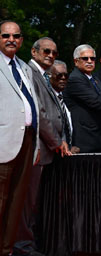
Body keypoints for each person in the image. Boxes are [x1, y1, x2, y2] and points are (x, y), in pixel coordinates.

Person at [13, 37, 71, 256]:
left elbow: (57, 111)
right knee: (28, 202)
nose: (51, 55)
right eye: (46, 51)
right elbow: (41, 113)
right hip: (36, 147)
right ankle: (23, 247)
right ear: (34, 52)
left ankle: (31, 243)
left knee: (36, 202)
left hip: (49, 148)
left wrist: (61, 138)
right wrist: (56, 142)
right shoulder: (30, 73)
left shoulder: (43, 76)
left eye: (55, 52)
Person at [0, 20, 39, 256]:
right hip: (3, 142)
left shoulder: (25, 67)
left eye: (15, 36)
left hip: (27, 141)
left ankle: (6, 250)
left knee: (16, 203)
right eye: (5, 35)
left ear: (22, 40)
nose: (11, 39)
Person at [49, 60, 80, 154]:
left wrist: (72, 145)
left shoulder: (67, 97)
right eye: (59, 75)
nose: (63, 78)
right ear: (49, 76)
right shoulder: (46, 99)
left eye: (65, 76)